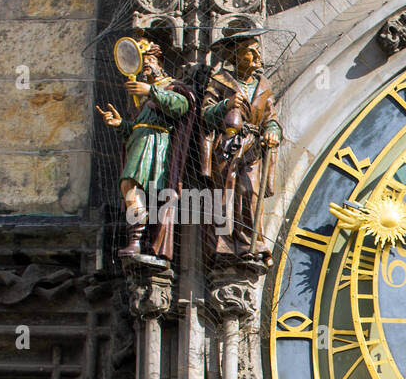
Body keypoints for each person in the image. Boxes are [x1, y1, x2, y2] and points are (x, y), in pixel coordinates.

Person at [96, 40, 197, 265]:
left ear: (160, 62)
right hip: (139, 143)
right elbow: (136, 126)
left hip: (156, 145)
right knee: (130, 188)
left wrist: (151, 90)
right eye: (142, 64)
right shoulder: (142, 98)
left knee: (131, 186)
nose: (145, 67)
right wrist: (120, 124)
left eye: (149, 61)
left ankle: (138, 239)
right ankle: (136, 239)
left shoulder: (172, 87)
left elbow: (181, 106)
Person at [201, 26, 282, 265]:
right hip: (228, 145)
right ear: (235, 57)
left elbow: (272, 118)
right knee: (227, 193)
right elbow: (205, 114)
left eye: (258, 53)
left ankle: (252, 241)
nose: (257, 58)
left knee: (250, 192)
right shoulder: (220, 81)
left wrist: (272, 132)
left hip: (253, 146)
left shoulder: (263, 86)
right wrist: (225, 105)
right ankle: (226, 242)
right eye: (250, 53)